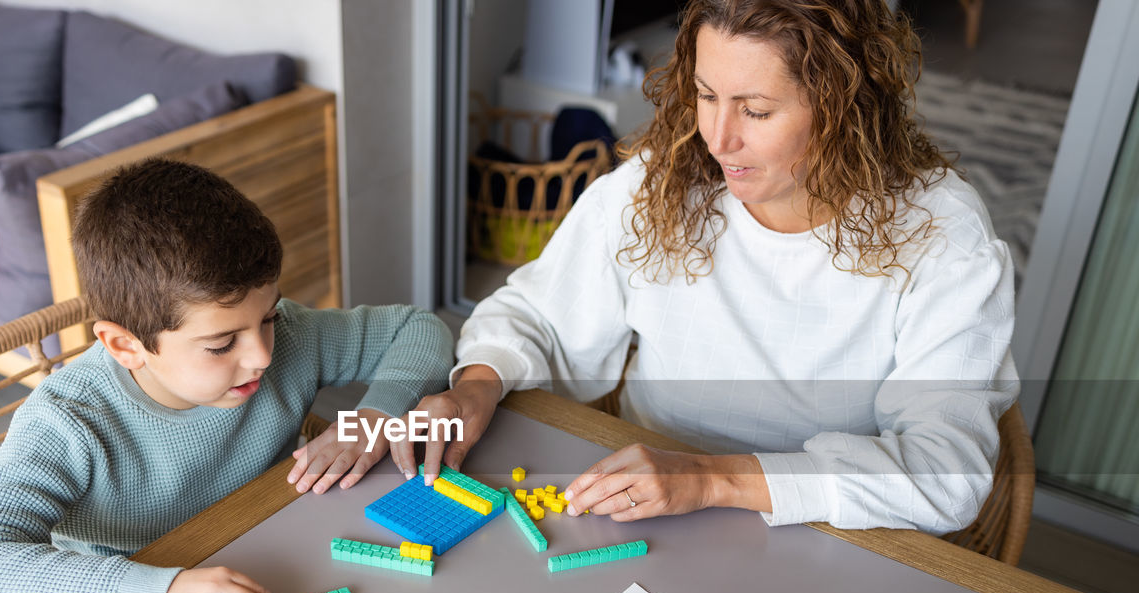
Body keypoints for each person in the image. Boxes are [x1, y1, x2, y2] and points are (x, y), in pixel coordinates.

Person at [408, 0, 1018, 534]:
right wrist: (476, 387)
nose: (716, 140)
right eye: (705, 95)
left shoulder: (942, 235)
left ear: (844, 109)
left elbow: (947, 471)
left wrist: (708, 479)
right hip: (653, 512)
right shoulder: (662, 181)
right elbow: (537, 312)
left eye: (755, 111)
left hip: (830, 533)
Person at [0, 159, 453, 593]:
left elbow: (418, 329)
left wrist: (374, 416)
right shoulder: (69, 421)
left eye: (268, 318)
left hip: (283, 561)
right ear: (125, 346)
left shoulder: (288, 337)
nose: (262, 355)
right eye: (222, 345)